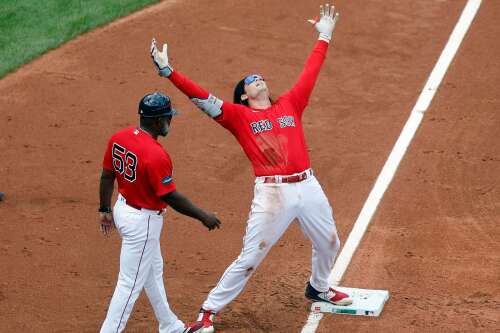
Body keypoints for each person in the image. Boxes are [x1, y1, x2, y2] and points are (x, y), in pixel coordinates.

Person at [150, 4, 352, 332]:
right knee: (250, 257)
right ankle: (207, 312)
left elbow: (310, 72)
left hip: (308, 185)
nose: (258, 78)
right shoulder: (238, 117)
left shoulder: (290, 103)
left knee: (329, 242)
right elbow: (201, 97)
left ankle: (318, 286)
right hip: (273, 193)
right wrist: (169, 71)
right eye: (251, 80)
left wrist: (325, 36)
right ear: (243, 95)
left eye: (260, 77)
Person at [98, 91, 221, 333]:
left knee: (153, 270)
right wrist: (203, 216)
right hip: (142, 223)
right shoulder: (156, 155)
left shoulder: (119, 137)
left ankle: (170, 326)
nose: (170, 122)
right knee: (129, 285)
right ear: (157, 121)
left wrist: (104, 208)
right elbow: (169, 196)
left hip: (123, 209)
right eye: (168, 118)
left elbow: (107, 176)